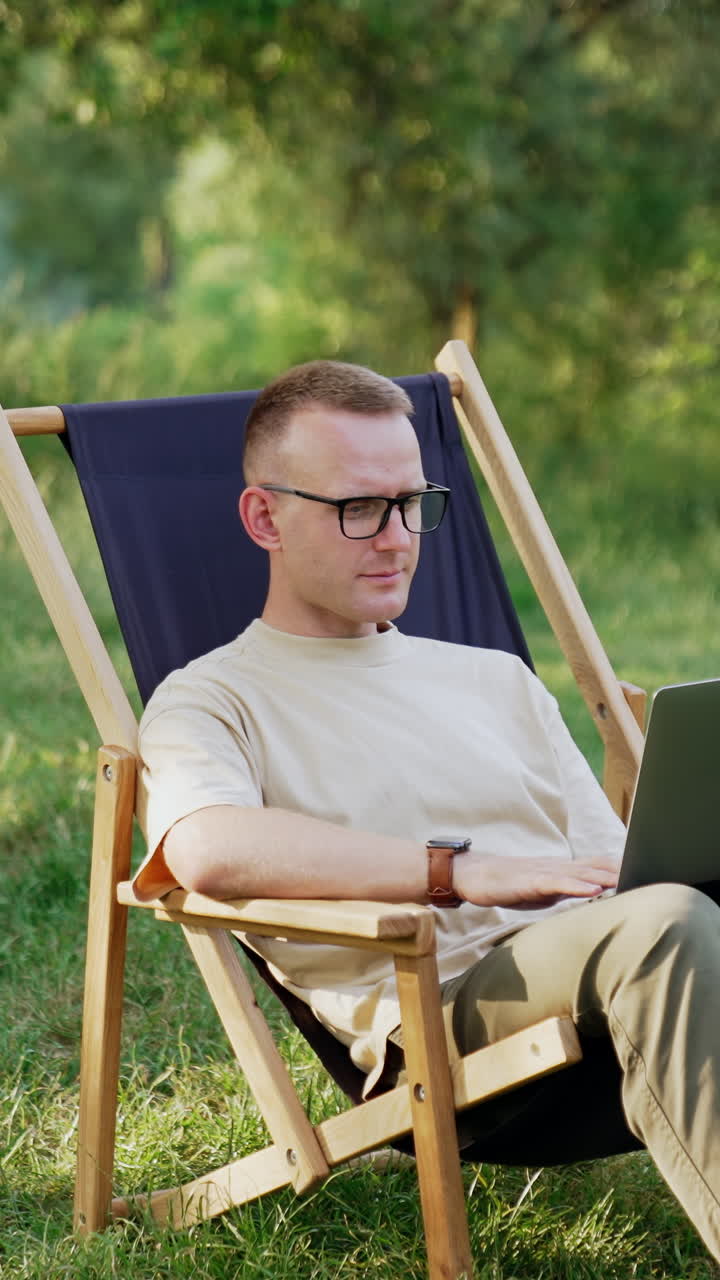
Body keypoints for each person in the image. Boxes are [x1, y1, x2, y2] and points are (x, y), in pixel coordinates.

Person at [134, 359, 720, 1261]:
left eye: (412, 502)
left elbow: (617, 873)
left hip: (602, 962)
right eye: (359, 508)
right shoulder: (210, 700)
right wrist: (455, 871)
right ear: (265, 518)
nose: (398, 537)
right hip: (443, 1013)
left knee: (668, 911)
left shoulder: (493, 678)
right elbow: (205, 845)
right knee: (668, 925)